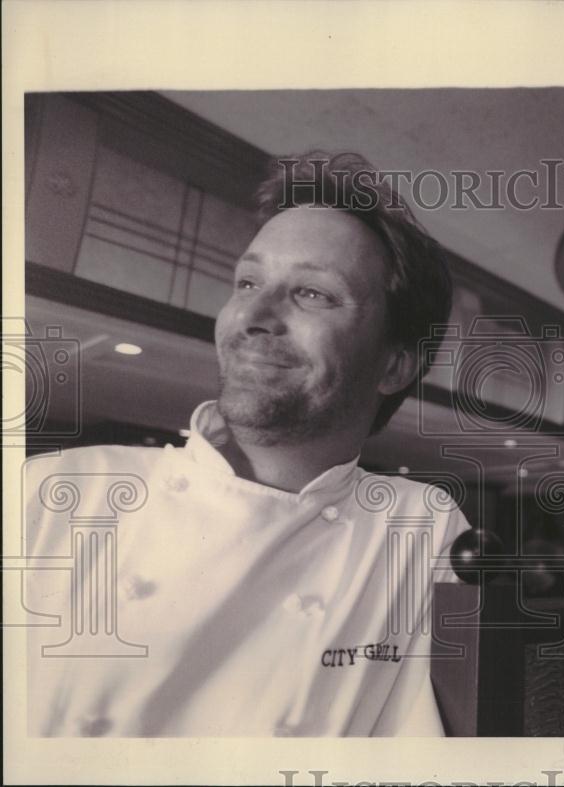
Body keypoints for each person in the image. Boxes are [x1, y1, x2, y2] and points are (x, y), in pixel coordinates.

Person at [22, 152, 470, 737]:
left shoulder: (422, 527)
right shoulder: (50, 491)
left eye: (313, 293)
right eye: (248, 282)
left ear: (394, 365)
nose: (253, 315)